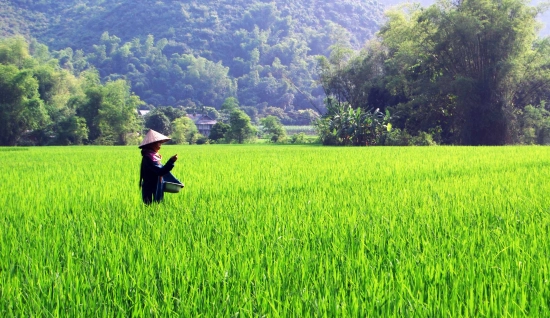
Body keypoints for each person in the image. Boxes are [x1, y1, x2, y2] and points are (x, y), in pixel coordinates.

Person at [139, 129, 181, 204]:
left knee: (156, 208)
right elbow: (160, 171)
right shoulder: (149, 157)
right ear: (152, 144)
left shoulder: (151, 156)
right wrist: (171, 161)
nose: (160, 145)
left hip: (155, 185)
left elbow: (162, 171)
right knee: (151, 207)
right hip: (151, 187)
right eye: (159, 143)